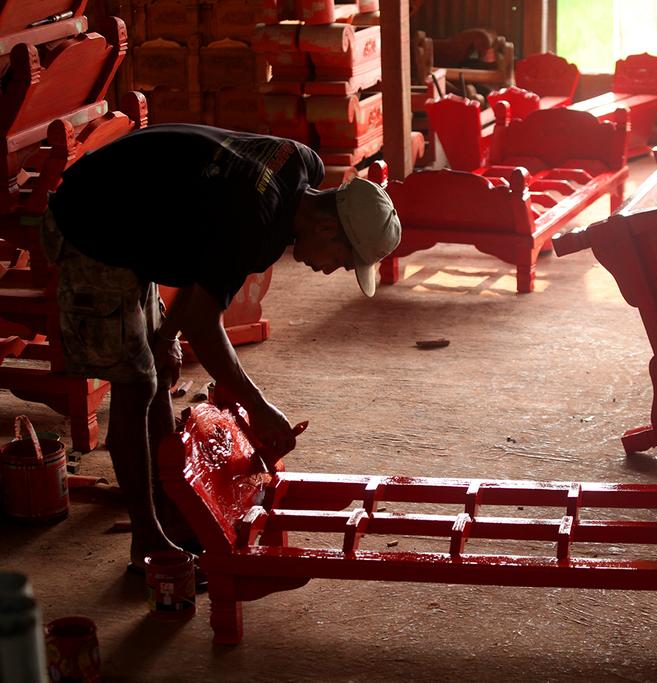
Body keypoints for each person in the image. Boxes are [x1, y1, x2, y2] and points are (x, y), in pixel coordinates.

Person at [41, 124, 401, 573]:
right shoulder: (254, 224)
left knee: (157, 368)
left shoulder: (301, 162)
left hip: (135, 214)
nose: (329, 271)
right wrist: (259, 406)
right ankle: (148, 542)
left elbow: (203, 267)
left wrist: (166, 337)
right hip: (93, 223)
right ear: (327, 227)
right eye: (342, 261)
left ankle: (167, 508)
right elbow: (204, 324)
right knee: (135, 385)